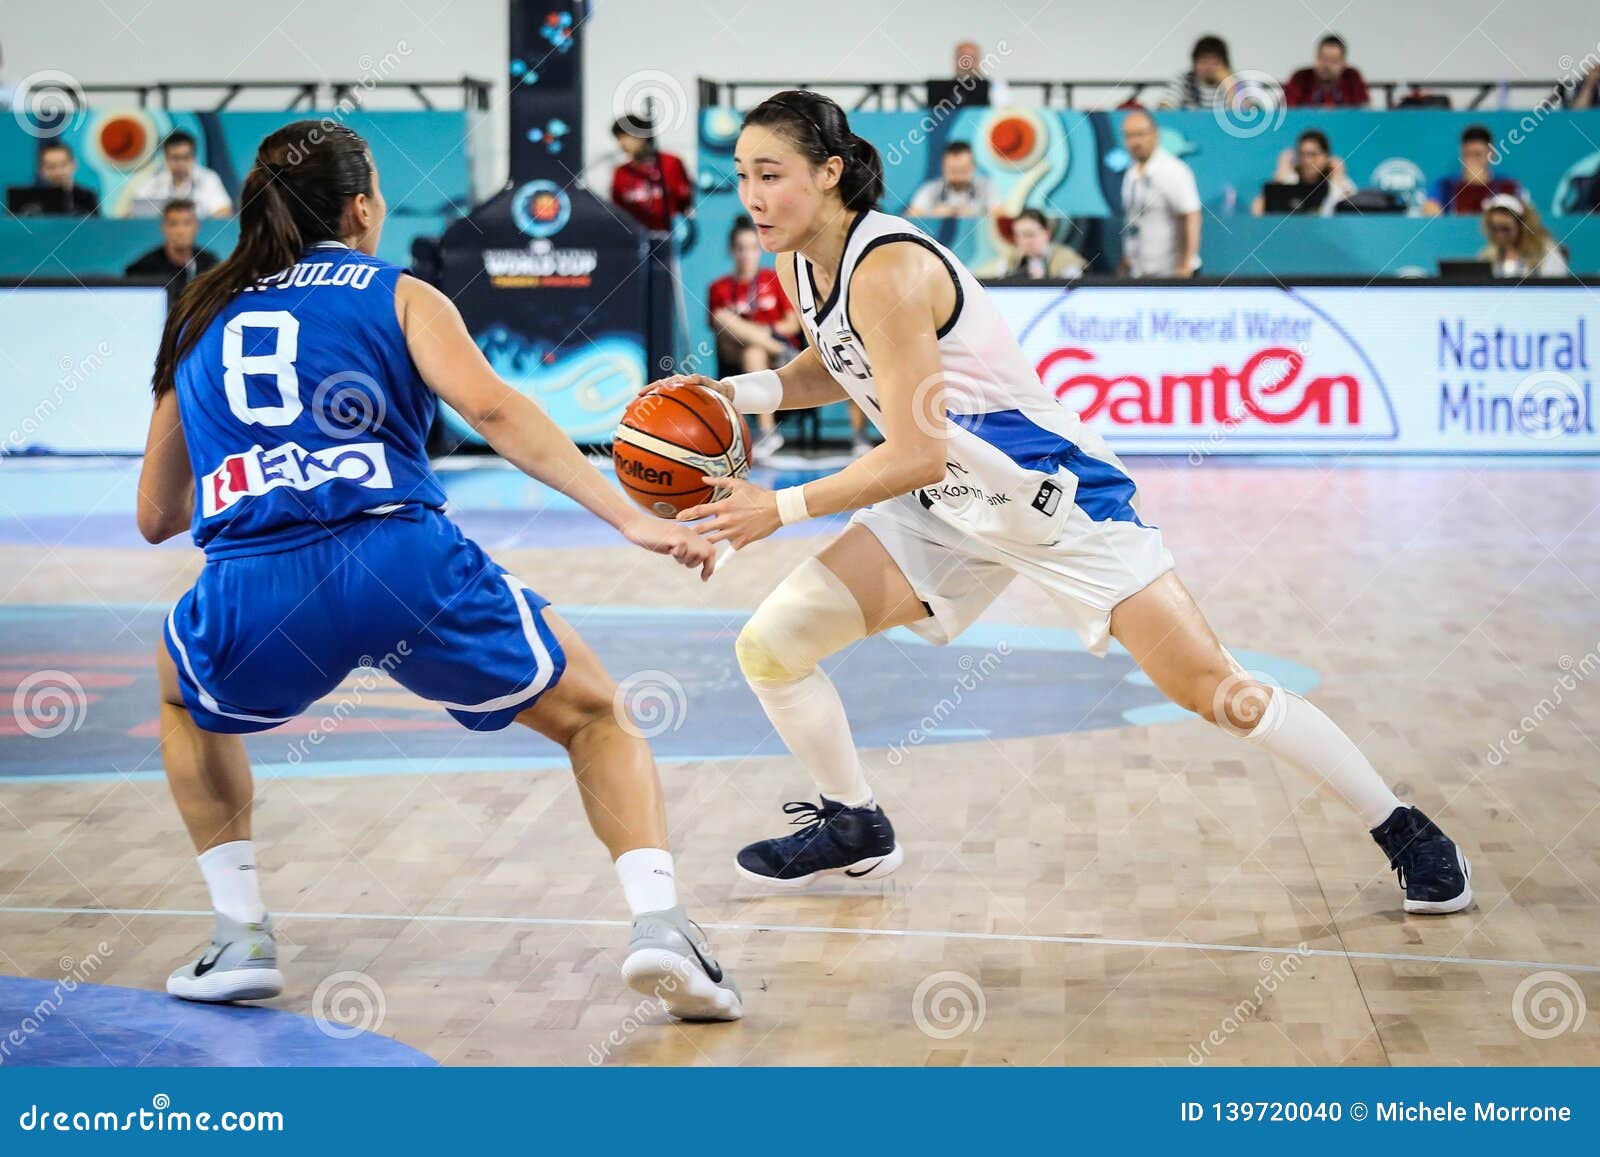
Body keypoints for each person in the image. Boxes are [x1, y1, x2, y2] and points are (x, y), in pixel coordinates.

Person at [648, 89, 1471, 917]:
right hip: (947, 501)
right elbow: (843, 364)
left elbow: (914, 447)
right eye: (742, 175)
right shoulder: (803, 259)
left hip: (1052, 497)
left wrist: (778, 508)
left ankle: (1403, 827)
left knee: (1215, 689)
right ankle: (856, 822)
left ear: (829, 174)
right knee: (773, 646)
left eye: (771, 174)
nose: (752, 195)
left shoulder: (890, 266)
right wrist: (731, 391)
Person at [135, 121, 740, 1020]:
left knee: (184, 699)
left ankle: (242, 933)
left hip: (259, 582)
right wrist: (628, 516)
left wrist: (254, 458)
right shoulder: (399, 292)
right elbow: (494, 408)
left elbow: (156, 518)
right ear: (363, 207)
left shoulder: (199, 314)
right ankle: (660, 926)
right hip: (401, 561)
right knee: (595, 715)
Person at [708, 216, 803, 457]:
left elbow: (793, 324)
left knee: (754, 351)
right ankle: (773, 349)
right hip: (736, 356)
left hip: (775, 358)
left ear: (759, 250)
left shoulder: (774, 279)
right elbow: (719, 331)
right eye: (741, 249)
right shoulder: (718, 287)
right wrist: (758, 335)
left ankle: (767, 433)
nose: (746, 255)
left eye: (752, 248)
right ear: (732, 251)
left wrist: (761, 333)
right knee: (723, 319)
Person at [1117, 110, 1201, 278]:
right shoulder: (1130, 174)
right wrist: (1127, 261)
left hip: (1173, 273)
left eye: (1140, 134)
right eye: (1129, 136)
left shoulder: (1173, 170)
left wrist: (1186, 264)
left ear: (1155, 134)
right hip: (1140, 273)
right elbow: (1134, 221)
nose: (1135, 142)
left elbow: (1191, 217)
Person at [609, 116, 693, 234]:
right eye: (619, 139)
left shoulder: (671, 163)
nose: (622, 144)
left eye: (626, 136)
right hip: (637, 242)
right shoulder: (621, 172)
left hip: (671, 238)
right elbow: (617, 212)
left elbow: (685, 200)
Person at [1422, 124, 1523, 216]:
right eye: (1467, 154)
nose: (1472, 161)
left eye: (1478, 155)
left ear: (1491, 154)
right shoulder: (1445, 185)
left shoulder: (1506, 185)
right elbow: (1431, 210)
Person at [1251, 129, 1356, 216]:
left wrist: (1337, 180)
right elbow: (1257, 209)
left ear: (1326, 156)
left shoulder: (1343, 183)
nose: (1307, 160)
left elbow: (1340, 215)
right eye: (1302, 154)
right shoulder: (1290, 179)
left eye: (1313, 154)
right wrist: (1280, 177)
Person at [130, 130, 233, 218]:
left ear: (194, 158)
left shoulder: (208, 178)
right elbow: (132, 212)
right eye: (175, 158)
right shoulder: (155, 181)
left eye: (185, 157)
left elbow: (224, 211)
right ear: (166, 159)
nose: (181, 163)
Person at [123, 199, 219, 291]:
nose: (180, 231)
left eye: (187, 223)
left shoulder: (210, 265)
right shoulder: (143, 269)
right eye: (173, 224)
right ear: (163, 228)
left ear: (196, 227)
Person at [1159, 35, 1266, 111]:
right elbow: (1165, 110)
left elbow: (1247, 114)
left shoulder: (1237, 81)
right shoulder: (1183, 80)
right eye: (1203, 61)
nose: (1209, 67)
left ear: (1225, 63)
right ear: (1194, 63)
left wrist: (1229, 84)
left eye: (1215, 62)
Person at [1477, 194, 1570, 278]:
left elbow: (1555, 286)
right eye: (1495, 229)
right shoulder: (1487, 255)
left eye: (1505, 229)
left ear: (1521, 225)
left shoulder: (1546, 252)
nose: (1500, 234)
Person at [908, 141, 997, 219]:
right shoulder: (930, 189)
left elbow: (1000, 215)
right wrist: (933, 215)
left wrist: (975, 215)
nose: (958, 175)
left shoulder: (986, 186)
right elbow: (911, 217)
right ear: (943, 167)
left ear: (973, 166)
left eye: (963, 169)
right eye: (953, 170)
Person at [10, 141, 99, 216]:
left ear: (74, 164)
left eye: (63, 165)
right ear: (40, 170)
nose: (58, 172)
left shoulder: (88, 198)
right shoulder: (32, 202)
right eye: (51, 166)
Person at [1284, 34, 1370, 108]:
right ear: (1316, 58)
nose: (1327, 65)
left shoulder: (1352, 78)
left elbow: (1364, 113)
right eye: (1323, 59)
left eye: (1333, 61)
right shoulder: (1300, 78)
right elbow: (1286, 111)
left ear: (1343, 63)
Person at [1004, 209, 1085, 278]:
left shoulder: (1066, 258)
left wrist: (1044, 280)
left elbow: (1073, 284)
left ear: (1047, 234)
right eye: (1018, 236)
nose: (1024, 242)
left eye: (1029, 235)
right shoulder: (1013, 259)